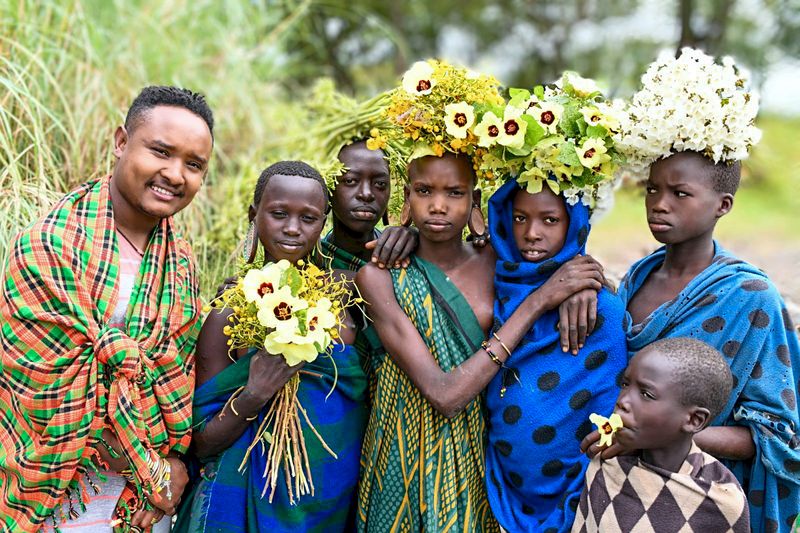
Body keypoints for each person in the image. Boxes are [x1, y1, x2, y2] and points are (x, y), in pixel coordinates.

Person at [584, 49, 800, 532]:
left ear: (722, 205)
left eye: (680, 194)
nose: (660, 205)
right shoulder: (639, 275)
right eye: (652, 190)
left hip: (699, 499)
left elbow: (777, 436)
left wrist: (664, 437)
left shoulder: (750, 296)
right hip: (621, 488)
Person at [0, 86, 214, 531]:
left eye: (193, 165)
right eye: (160, 151)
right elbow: (37, 383)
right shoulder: (48, 247)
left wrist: (174, 460)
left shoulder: (182, 265)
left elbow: (180, 375)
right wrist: (150, 468)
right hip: (55, 493)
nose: (175, 174)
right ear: (121, 142)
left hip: (141, 509)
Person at [356, 153, 604, 531]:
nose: (438, 206)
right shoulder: (379, 276)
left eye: (455, 193)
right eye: (424, 191)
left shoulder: (499, 261)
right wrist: (537, 303)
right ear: (406, 198)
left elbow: (563, 260)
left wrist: (584, 284)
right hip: (399, 445)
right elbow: (446, 395)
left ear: (475, 201)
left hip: (476, 452)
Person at [175, 161, 367, 532]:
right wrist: (254, 394)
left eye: (308, 218)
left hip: (331, 501)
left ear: (324, 223)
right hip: (241, 503)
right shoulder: (228, 313)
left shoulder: (348, 298)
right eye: (279, 214)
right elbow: (200, 442)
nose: (292, 229)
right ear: (254, 214)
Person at [483, 180, 627, 532]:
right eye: (519, 218)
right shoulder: (490, 286)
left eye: (550, 220)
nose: (532, 233)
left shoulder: (600, 309)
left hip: (578, 489)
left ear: (575, 224)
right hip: (498, 481)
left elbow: (609, 397)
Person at [573, 338, 750, 532]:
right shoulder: (608, 462)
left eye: (646, 394)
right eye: (625, 384)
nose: (623, 401)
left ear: (694, 420)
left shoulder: (721, 500)